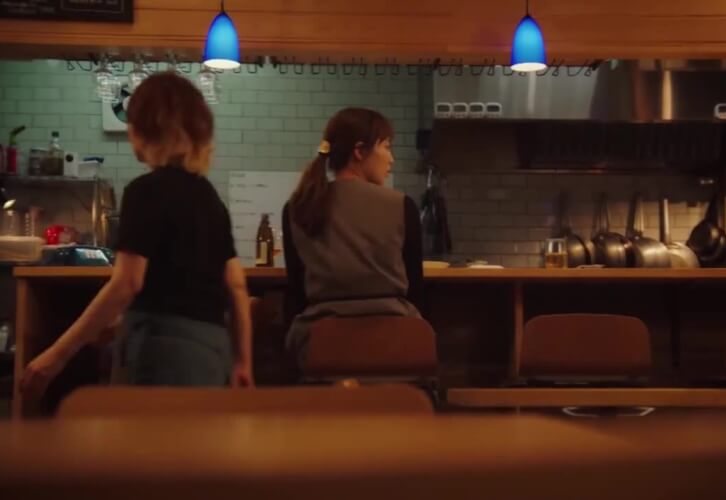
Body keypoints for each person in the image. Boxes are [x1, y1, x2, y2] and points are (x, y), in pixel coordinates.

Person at [21, 72, 253, 397]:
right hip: (215, 348)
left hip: (162, 348)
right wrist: (243, 361)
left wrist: (56, 356)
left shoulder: (145, 191)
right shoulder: (211, 199)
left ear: (145, 130)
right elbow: (237, 285)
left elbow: (128, 284)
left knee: (146, 432)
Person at [282, 107, 424, 363]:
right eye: (386, 147)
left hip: (321, 348)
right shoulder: (402, 206)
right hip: (395, 346)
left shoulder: (297, 207)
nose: (391, 159)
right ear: (359, 151)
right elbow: (415, 289)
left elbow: (297, 290)